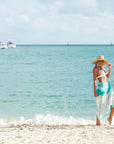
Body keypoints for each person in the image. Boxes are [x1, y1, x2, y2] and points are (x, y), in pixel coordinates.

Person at [92, 55, 114, 125]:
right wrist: (94, 92)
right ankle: (97, 122)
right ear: (97, 62)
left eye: (102, 61)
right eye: (100, 61)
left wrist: (110, 69)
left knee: (113, 103)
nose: (101, 62)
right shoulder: (95, 69)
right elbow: (95, 81)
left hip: (108, 87)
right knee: (101, 105)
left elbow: (107, 76)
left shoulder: (103, 68)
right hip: (102, 88)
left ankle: (110, 118)